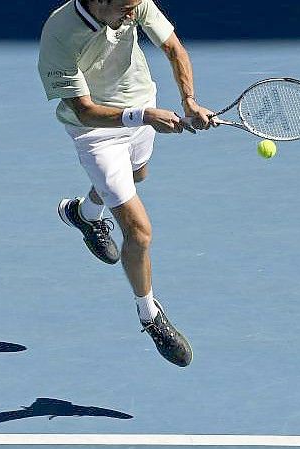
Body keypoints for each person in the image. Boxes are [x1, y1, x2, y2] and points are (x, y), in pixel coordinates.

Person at [38, 0, 214, 367]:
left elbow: (173, 47)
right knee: (140, 233)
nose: (133, 14)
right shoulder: (59, 35)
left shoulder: (134, 2)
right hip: (96, 131)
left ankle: (85, 215)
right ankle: (150, 315)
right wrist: (144, 116)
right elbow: (83, 109)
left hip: (140, 103)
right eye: (125, 7)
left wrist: (189, 100)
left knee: (138, 175)